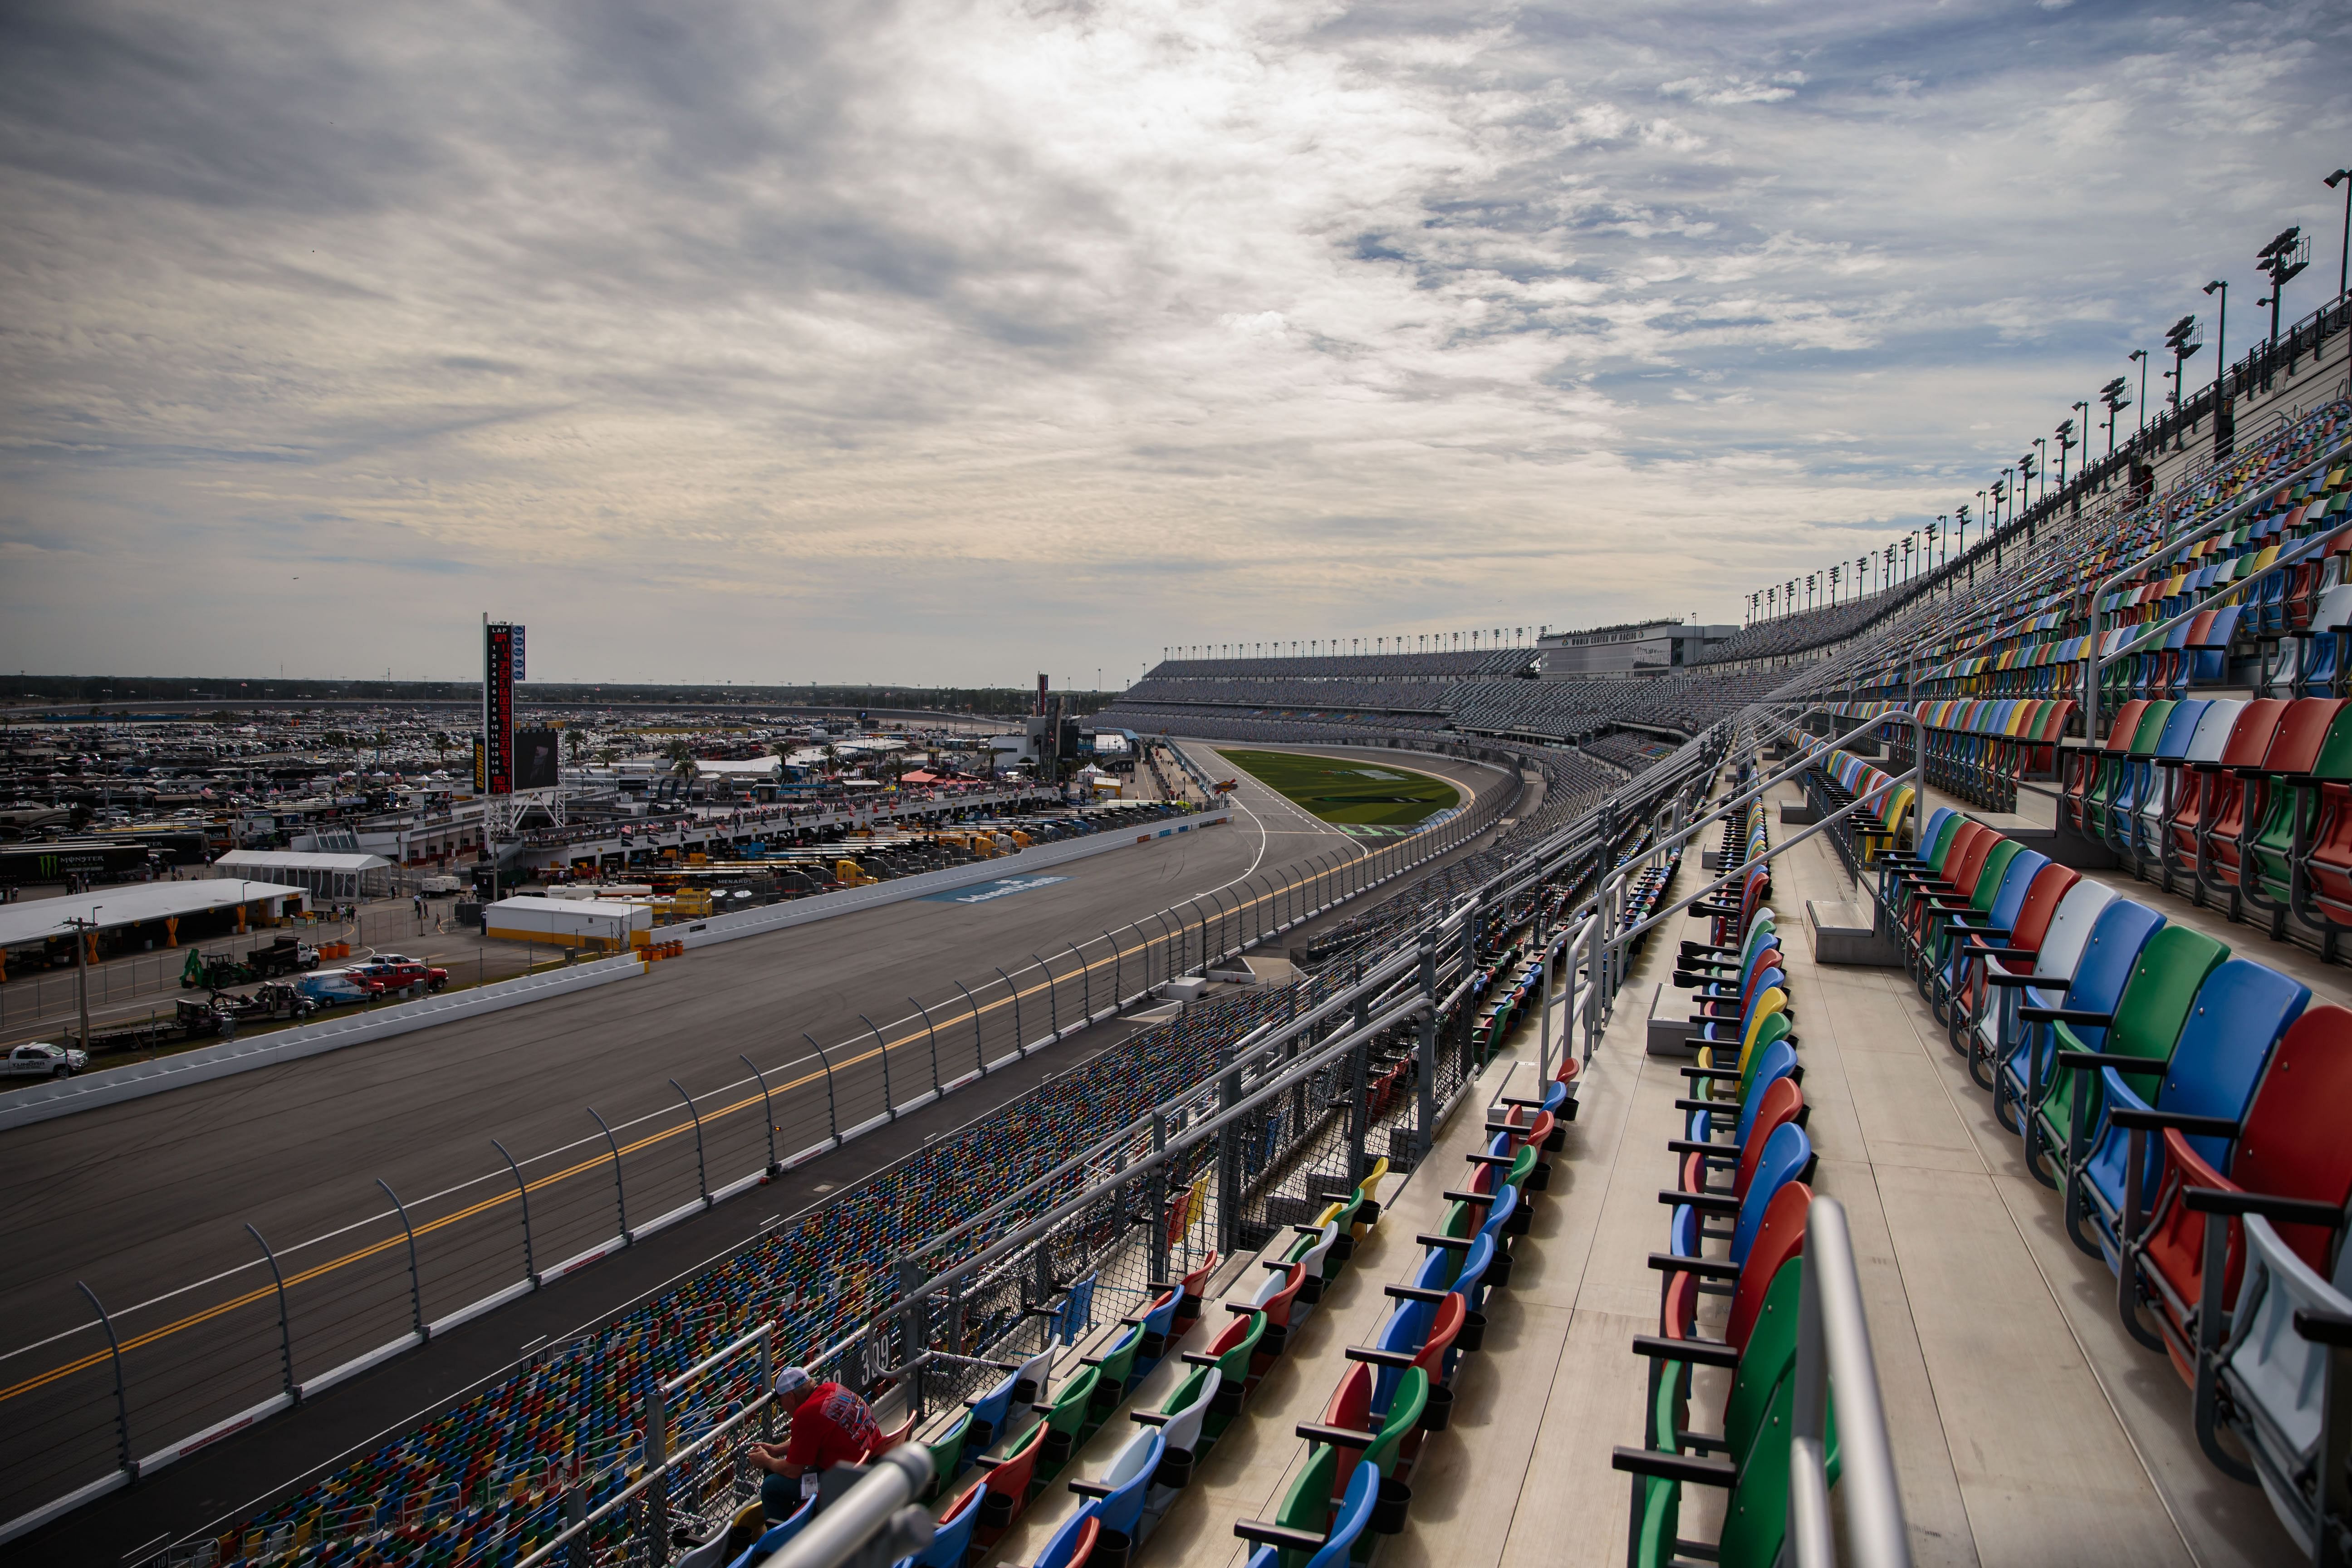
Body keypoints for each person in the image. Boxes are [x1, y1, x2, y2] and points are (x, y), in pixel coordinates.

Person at [748, 1366, 878, 1521]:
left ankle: (785, 1541)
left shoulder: (805, 1415)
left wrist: (767, 1461)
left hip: (846, 1483)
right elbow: (813, 1437)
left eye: (781, 1403)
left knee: (771, 1487)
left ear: (790, 1397)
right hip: (870, 1464)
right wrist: (776, 1450)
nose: (783, 1408)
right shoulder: (834, 1389)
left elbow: (792, 1471)